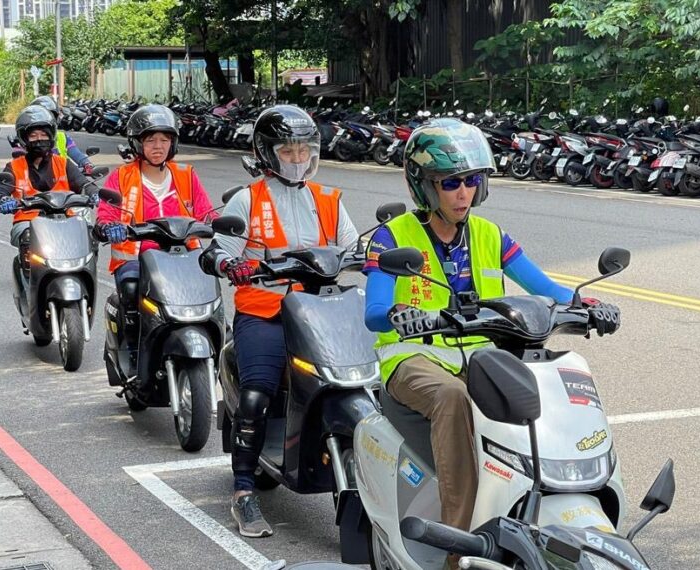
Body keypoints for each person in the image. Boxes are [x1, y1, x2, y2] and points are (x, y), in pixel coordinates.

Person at [363, 118, 620, 557]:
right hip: (414, 362)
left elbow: (544, 286)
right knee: (451, 398)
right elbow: (373, 312)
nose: (463, 192)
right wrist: (401, 314)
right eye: (450, 183)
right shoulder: (393, 237)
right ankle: (458, 549)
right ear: (425, 186)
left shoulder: (489, 234)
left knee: (546, 387)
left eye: (471, 180)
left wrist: (587, 303)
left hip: (482, 357)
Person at [198, 105, 359, 538]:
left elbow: (354, 246)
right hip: (264, 312)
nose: (297, 157)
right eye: (287, 150)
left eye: (303, 149)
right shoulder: (247, 199)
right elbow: (215, 250)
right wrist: (231, 265)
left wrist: (375, 255)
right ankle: (244, 491)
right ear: (268, 154)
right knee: (256, 395)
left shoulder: (328, 199)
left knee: (363, 382)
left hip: (320, 312)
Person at [94, 104, 217, 363]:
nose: (158, 146)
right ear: (137, 144)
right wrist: (109, 227)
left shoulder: (186, 175)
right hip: (136, 258)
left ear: (173, 143)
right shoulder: (121, 177)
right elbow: (106, 214)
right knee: (130, 290)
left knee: (211, 295)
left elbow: (207, 213)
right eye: (150, 140)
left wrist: (219, 227)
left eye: (165, 139)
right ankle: (134, 354)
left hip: (185, 257)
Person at [0, 105, 98, 271]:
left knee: (89, 234)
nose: (39, 139)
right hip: (28, 221)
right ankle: (29, 279)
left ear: (51, 136)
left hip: (65, 218)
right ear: (24, 139)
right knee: (27, 236)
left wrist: (94, 193)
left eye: (43, 134)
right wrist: (4, 200)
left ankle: (86, 275)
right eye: (33, 136)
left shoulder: (63, 163)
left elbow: (83, 183)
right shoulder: (14, 166)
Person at [30, 95, 95, 175]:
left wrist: (87, 164)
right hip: (35, 182)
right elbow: (19, 159)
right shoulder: (25, 138)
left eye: (50, 116)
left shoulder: (62, 137)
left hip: (64, 179)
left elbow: (76, 154)